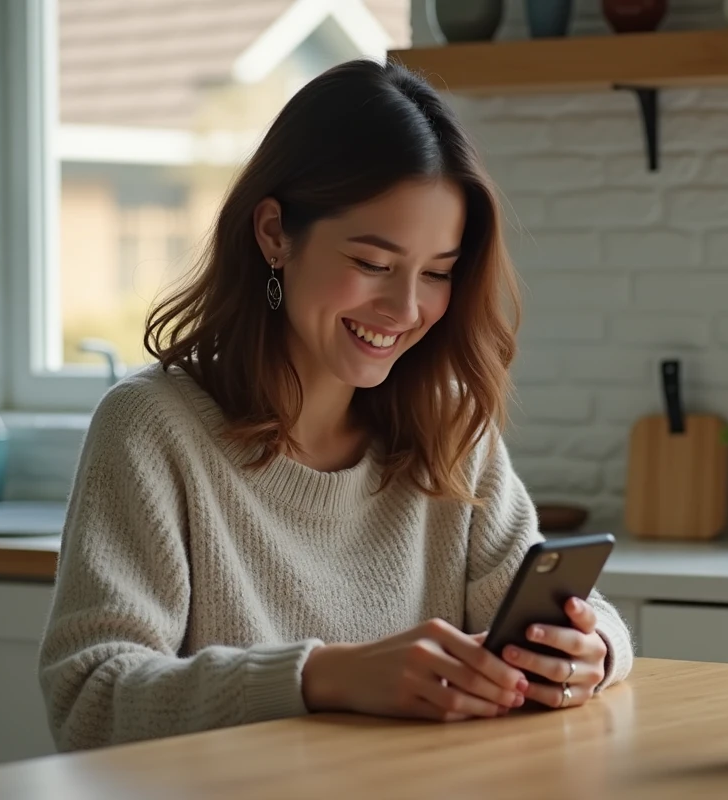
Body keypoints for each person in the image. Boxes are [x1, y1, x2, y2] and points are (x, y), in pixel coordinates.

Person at [37, 57, 634, 753]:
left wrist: (590, 655)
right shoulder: (151, 428)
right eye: (373, 265)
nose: (406, 308)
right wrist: (324, 675)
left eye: (437, 273)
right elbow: (90, 698)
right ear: (273, 234)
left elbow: (578, 616)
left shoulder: (448, 427)